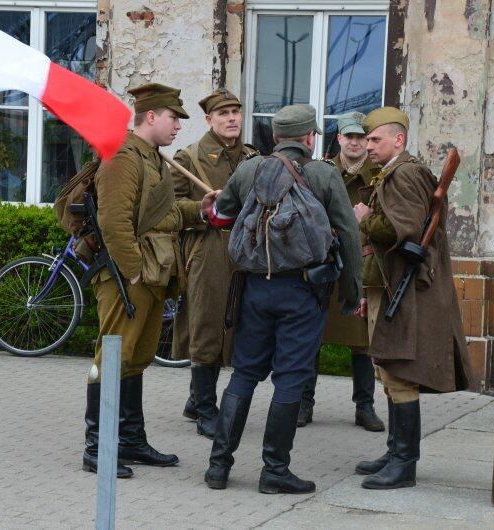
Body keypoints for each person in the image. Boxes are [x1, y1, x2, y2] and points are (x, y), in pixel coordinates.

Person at [198, 104, 362, 494]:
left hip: (255, 289)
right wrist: (352, 291)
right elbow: (348, 235)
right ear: (309, 138)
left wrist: (214, 206)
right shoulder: (323, 174)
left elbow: (221, 214)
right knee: (290, 379)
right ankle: (274, 471)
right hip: (304, 292)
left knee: (244, 373)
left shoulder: (249, 169)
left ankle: (218, 467)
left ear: (275, 137)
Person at [82, 83, 203, 479]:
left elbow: (163, 213)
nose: (178, 126)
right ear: (151, 116)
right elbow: (113, 222)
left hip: (153, 272)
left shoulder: (151, 156)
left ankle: (131, 441)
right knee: (113, 356)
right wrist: (133, 270)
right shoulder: (122, 156)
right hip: (129, 275)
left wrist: (200, 209)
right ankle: (97, 447)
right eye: (173, 118)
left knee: (136, 357)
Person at [353, 107, 474, 490]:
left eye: (375, 139)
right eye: (367, 139)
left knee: (399, 372)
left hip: (406, 290)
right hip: (390, 284)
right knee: (388, 371)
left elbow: (400, 229)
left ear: (398, 139)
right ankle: (395, 452)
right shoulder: (396, 172)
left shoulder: (405, 173)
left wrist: (363, 218)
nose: (368, 146)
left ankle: (404, 463)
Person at [171, 88, 257, 439]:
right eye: (223, 113)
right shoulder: (189, 158)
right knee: (207, 324)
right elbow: (168, 208)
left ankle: (196, 399)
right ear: (209, 120)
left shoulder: (251, 157)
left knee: (236, 325)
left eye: (236, 111)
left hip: (245, 250)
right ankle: (205, 407)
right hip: (208, 249)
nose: (232, 118)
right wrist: (202, 209)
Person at [297, 112, 384, 432]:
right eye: (350, 136)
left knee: (362, 342)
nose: (355, 142)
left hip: (362, 265)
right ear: (339, 138)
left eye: (361, 137)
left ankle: (365, 407)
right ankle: (304, 403)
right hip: (325, 264)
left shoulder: (379, 175)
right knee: (312, 338)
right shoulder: (320, 171)